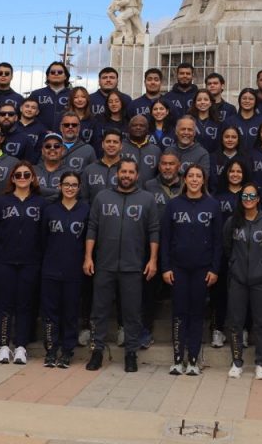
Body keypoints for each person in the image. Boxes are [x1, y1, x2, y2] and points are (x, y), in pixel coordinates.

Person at [84, 158, 160, 373]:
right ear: (117, 173)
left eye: (130, 172)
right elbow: (92, 227)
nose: (126, 175)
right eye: (123, 171)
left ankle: (131, 353)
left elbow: (154, 230)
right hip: (104, 264)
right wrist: (88, 257)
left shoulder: (147, 199)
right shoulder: (102, 197)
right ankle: (97, 351)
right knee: (99, 311)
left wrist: (153, 260)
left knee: (132, 312)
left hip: (133, 265)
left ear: (137, 175)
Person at [161, 165, 222, 375]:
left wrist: (214, 269)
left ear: (203, 181)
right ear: (184, 180)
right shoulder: (173, 204)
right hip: (178, 268)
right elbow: (165, 238)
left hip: (202, 269)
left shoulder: (213, 205)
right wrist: (166, 267)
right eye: (191, 176)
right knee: (179, 312)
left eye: (198, 176)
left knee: (197, 313)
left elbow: (218, 241)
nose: (195, 180)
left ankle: (193, 360)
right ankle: (178, 359)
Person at [0, 160, 43, 365]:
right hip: (3, 261)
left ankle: (21, 346)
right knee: (4, 304)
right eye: (18, 175)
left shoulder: (40, 203)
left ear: (32, 178)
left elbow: (43, 233)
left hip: (30, 262)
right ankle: (3, 345)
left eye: (26, 174)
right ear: (12, 178)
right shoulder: (1, 202)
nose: (22, 178)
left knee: (25, 304)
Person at [223, 182, 262, 379]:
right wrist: (234, 265)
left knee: (261, 322)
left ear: (258, 199)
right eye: (245, 196)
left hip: (260, 279)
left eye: (252, 196)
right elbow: (227, 247)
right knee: (235, 322)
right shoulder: (232, 222)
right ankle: (237, 362)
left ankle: (260, 363)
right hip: (237, 278)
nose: (248, 199)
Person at [40, 171, 87, 367]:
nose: (70, 188)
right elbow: (42, 239)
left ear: (79, 188)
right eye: (66, 184)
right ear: (59, 186)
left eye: (74, 185)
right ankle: (51, 350)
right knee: (50, 312)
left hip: (74, 271)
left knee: (70, 313)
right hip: (50, 269)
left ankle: (67, 351)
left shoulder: (85, 209)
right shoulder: (50, 210)